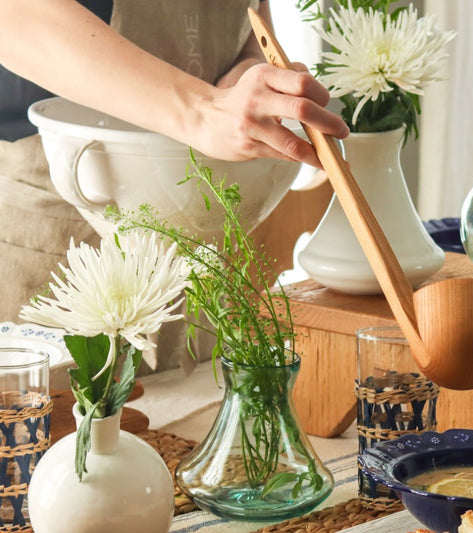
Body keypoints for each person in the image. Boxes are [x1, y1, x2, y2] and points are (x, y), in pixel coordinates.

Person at [0, 1, 348, 366]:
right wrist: (202, 111)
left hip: (200, 251)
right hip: (60, 236)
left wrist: (244, 74)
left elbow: (248, 28)